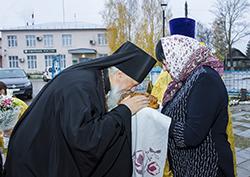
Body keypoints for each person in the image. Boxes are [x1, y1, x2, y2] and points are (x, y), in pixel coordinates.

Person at [4, 41, 156, 177]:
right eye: (134, 84)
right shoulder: (81, 86)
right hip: (33, 162)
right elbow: (84, 138)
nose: (131, 90)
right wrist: (125, 109)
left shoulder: (92, 79)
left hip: (42, 154)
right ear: (120, 74)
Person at [155, 35, 235, 177]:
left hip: (208, 167)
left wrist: (160, 120)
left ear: (177, 53)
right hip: (191, 167)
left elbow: (191, 135)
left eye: (165, 61)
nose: (165, 68)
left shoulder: (205, 79)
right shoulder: (186, 79)